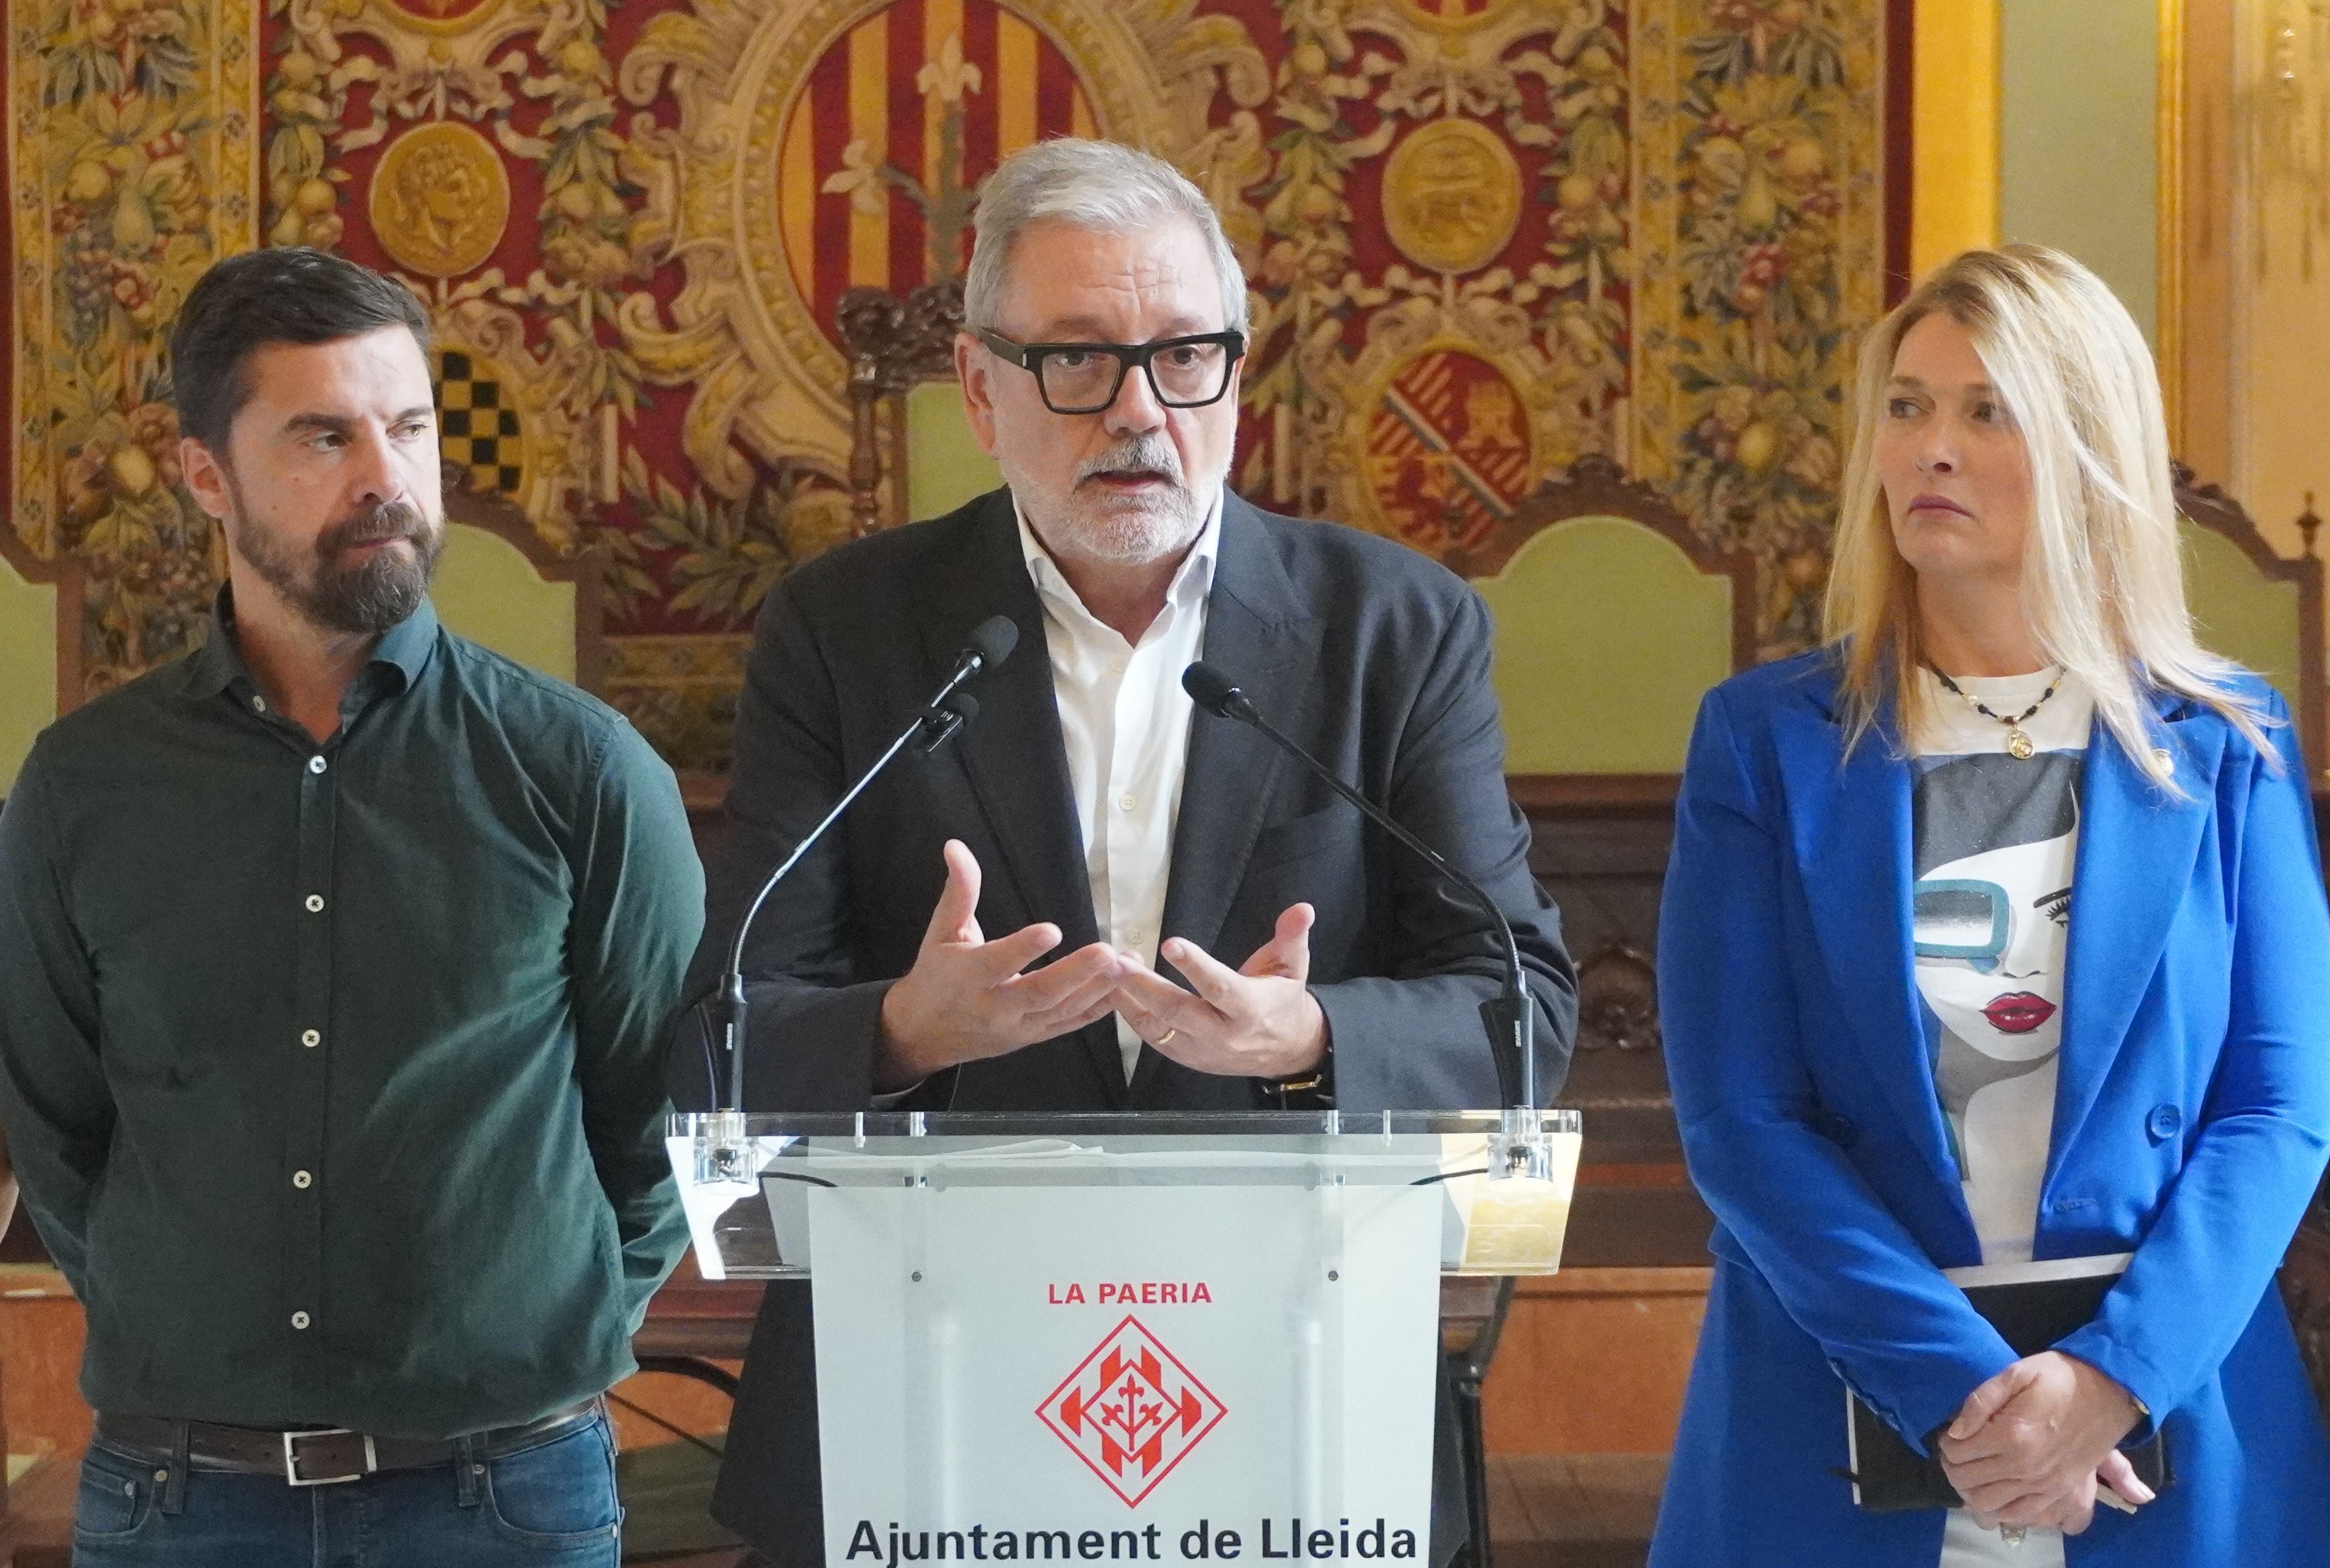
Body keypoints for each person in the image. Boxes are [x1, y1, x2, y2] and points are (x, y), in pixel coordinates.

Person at [667, 137, 1577, 1565]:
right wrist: (903, 1030)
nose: (1140, 410)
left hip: (1291, 1378)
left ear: (1235, 373)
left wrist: (1308, 1036)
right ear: (981, 386)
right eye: (1079, 360)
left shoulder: (1392, 628)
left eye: (1184, 356)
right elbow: (721, 1027)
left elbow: (1519, 1011)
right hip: (924, 1383)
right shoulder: (850, 630)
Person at [0, 247, 704, 1566]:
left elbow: (664, 1115)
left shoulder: (583, 771)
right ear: (206, 475)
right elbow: (56, 1129)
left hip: (504, 1497)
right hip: (180, 1501)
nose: (387, 477)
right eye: (324, 436)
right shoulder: (84, 788)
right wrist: (188, 1333)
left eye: (410, 427)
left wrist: (531, 1339)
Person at [1650, 243, 2330, 1568]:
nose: (1931, 449)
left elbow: (2277, 1107)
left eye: (1986, 410)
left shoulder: (2223, 741)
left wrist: (2109, 1383)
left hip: (2160, 1422)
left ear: (2088, 452)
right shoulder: (1765, 740)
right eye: (1905, 406)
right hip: (1838, 1408)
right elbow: (1741, 1119)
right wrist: (1964, 1396)